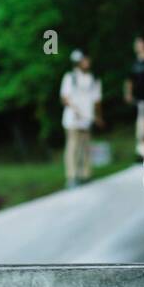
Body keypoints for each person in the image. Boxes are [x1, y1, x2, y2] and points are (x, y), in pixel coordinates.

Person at [60, 49, 104, 188]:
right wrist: (75, 110)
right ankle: (72, 176)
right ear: (78, 62)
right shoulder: (70, 77)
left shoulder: (93, 79)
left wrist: (98, 116)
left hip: (87, 119)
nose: (87, 62)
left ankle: (86, 175)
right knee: (73, 146)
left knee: (85, 147)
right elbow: (64, 98)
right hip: (72, 119)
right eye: (84, 60)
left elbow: (97, 100)